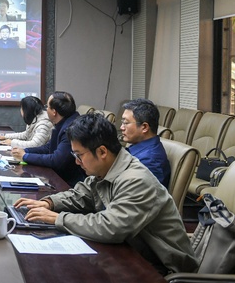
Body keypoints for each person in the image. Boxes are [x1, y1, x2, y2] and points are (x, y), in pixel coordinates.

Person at [14, 113, 198, 274]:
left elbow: (110, 227)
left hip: (160, 268)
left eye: (79, 155)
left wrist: (57, 218)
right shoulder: (106, 168)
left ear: (102, 151)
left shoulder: (136, 180)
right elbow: (80, 195)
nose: (77, 162)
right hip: (130, 251)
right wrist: (49, 203)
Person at [13, 91, 84, 186]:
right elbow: (48, 147)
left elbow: (56, 160)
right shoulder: (64, 123)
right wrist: (25, 151)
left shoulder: (70, 129)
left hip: (69, 183)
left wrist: (26, 156)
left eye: (47, 107)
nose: (46, 110)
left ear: (54, 112)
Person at [121, 98, 171, 187]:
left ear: (144, 127)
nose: (122, 127)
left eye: (126, 123)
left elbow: (133, 193)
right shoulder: (138, 146)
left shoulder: (149, 161)